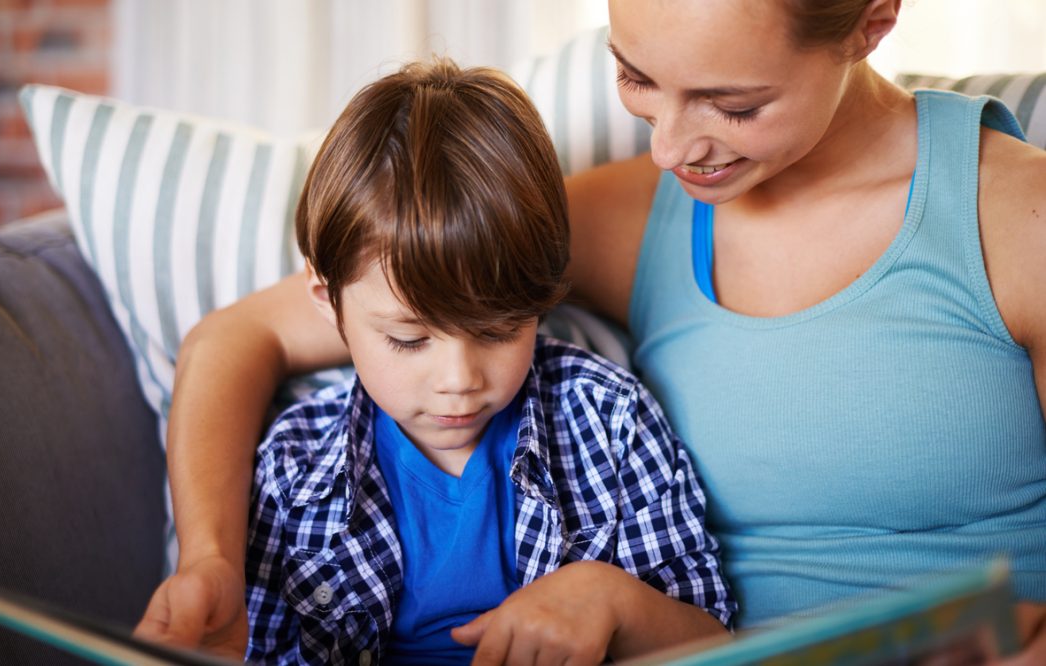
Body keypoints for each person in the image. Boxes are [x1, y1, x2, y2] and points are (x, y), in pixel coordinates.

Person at [135, 0, 1046, 663]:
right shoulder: (639, 215)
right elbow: (236, 339)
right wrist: (212, 559)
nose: (667, 148)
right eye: (638, 79)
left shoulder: (1016, 218)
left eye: (733, 105)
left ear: (872, 21)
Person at [230, 58, 735, 664]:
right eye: (409, 340)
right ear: (329, 305)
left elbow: (712, 641)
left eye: (497, 332)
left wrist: (617, 603)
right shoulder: (293, 470)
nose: (459, 382)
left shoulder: (610, 422)